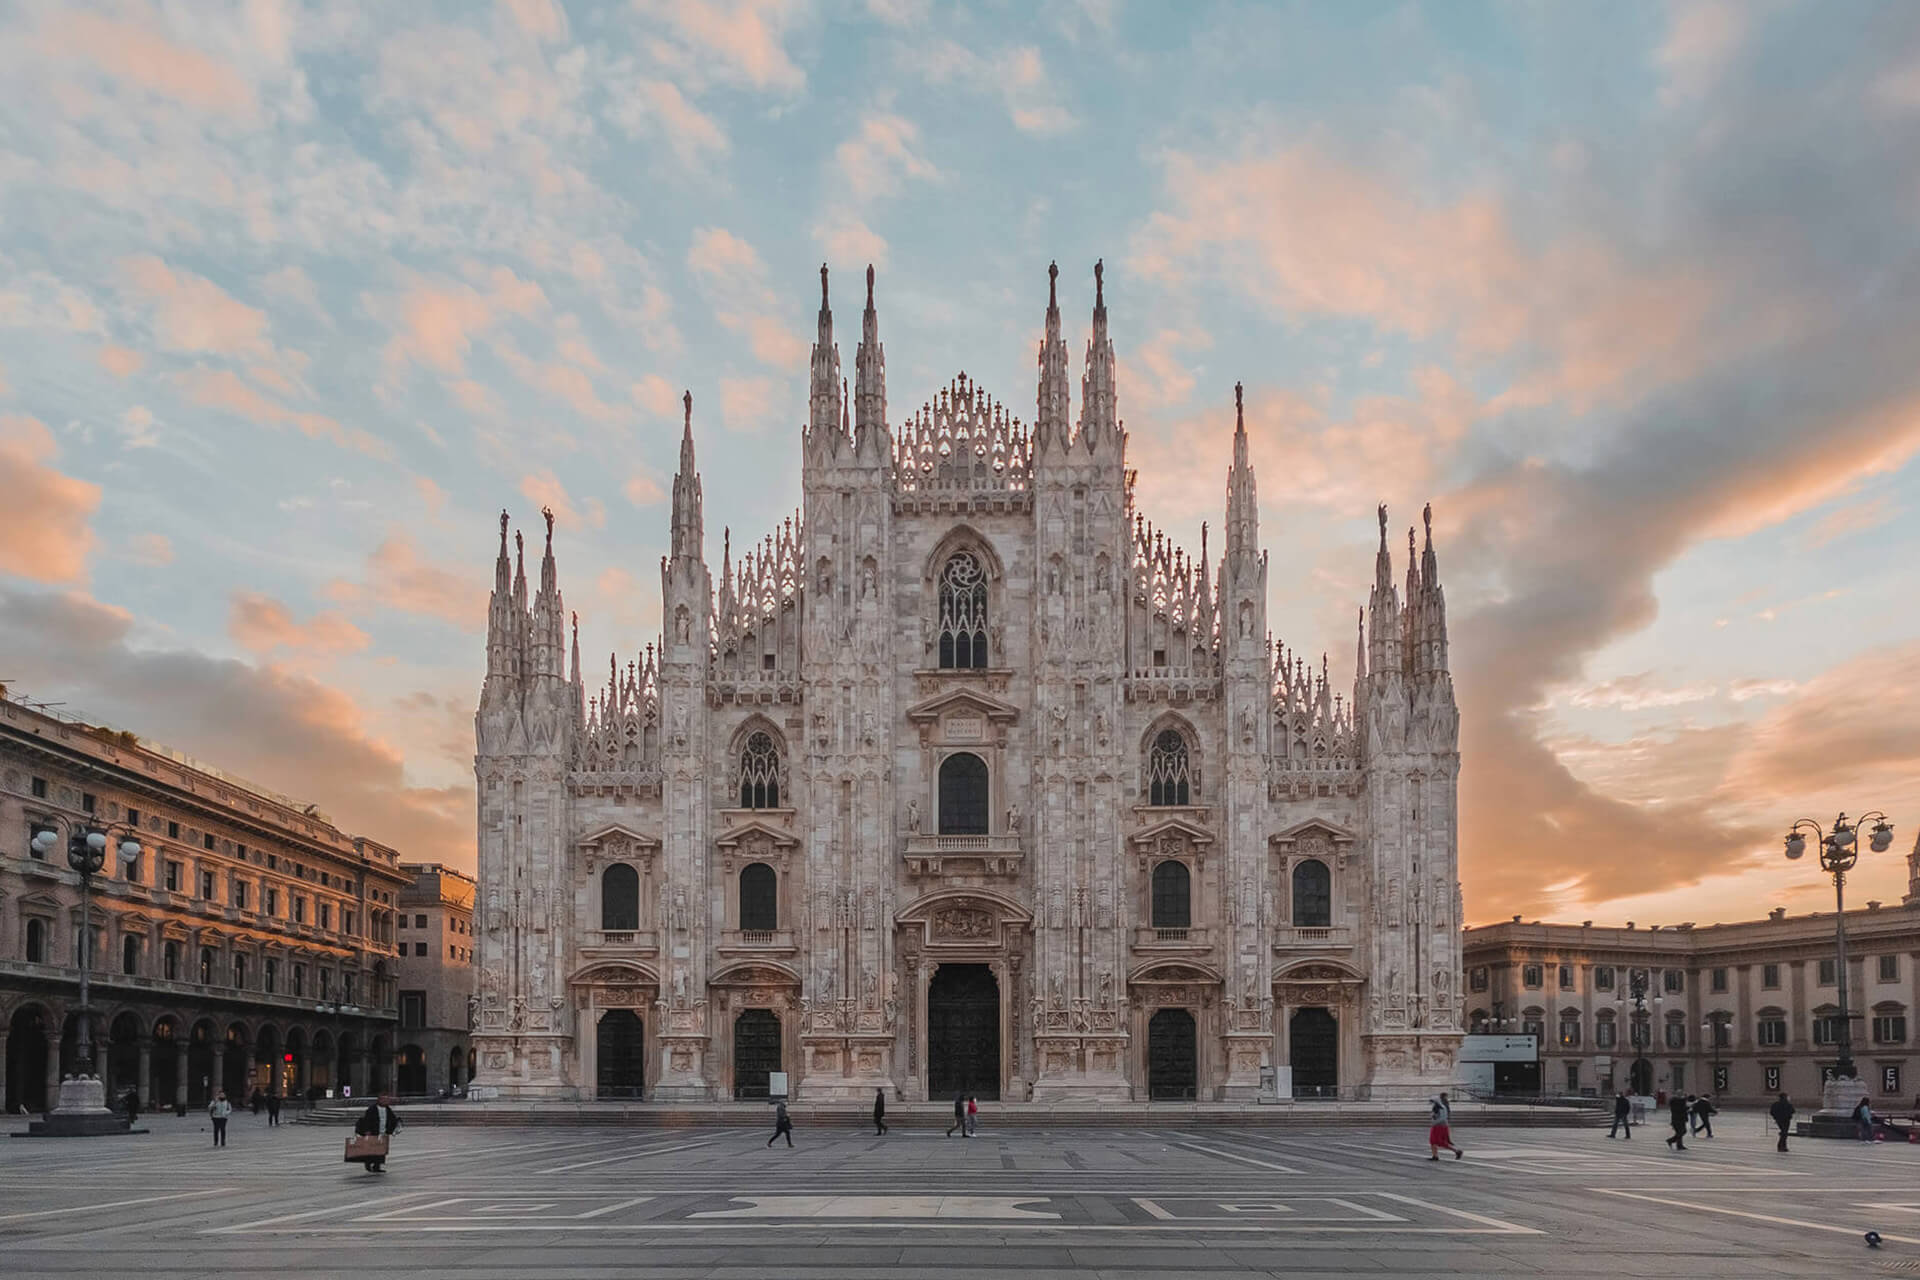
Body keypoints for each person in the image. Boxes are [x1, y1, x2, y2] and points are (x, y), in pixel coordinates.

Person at [352, 1096, 401, 1172]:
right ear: (379, 1100)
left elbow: (392, 1119)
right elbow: (367, 1120)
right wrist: (367, 1130)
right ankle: (368, 1163)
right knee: (372, 1150)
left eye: (387, 1100)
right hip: (373, 1132)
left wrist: (394, 1127)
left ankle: (377, 1166)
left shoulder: (388, 1109)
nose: (387, 1101)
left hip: (383, 1132)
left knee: (381, 1151)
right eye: (385, 1100)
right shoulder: (372, 1109)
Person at [1428, 1093, 1464, 1160]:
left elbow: (1443, 1118)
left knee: (1440, 1141)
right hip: (1436, 1126)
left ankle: (1457, 1151)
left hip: (1440, 1126)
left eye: (1433, 1101)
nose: (1432, 1103)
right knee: (1432, 1141)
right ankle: (1435, 1156)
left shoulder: (1442, 1107)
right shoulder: (1436, 1107)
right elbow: (1435, 1116)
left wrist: (1434, 1122)